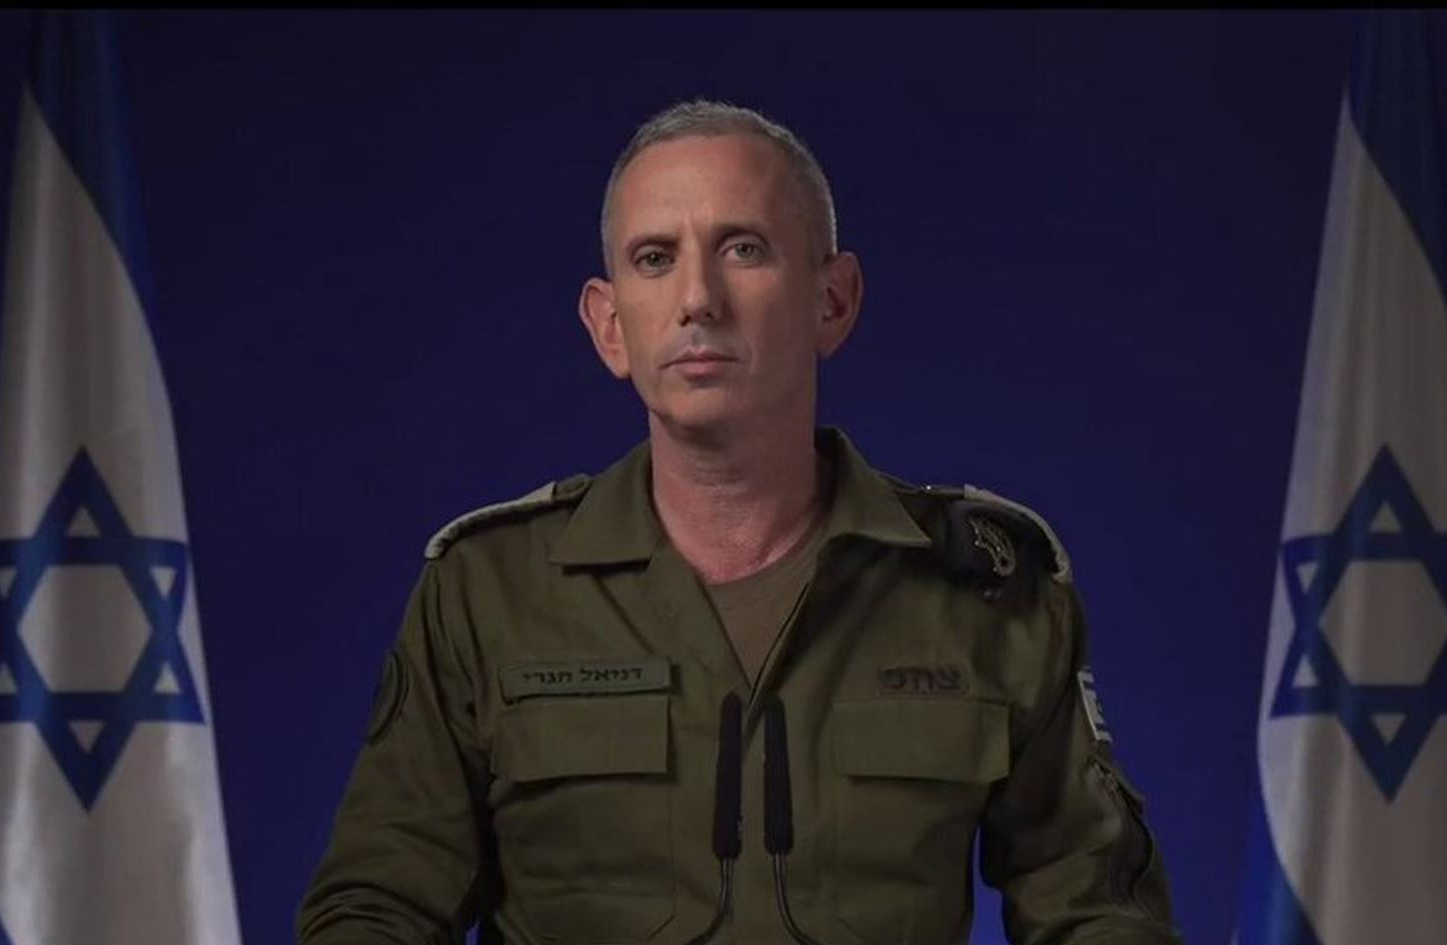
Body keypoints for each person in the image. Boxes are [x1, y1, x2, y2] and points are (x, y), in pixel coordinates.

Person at [296, 99, 1183, 945]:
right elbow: (378, 905)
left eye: (744, 248)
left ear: (833, 300)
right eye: (654, 258)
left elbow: (1097, 907)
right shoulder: (488, 590)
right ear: (610, 326)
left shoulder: (983, 586)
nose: (698, 298)